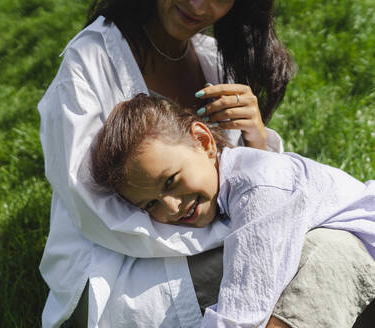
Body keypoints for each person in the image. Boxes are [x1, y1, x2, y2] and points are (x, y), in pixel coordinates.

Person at [37, 0, 374, 327]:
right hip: (124, 267)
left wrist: (256, 140)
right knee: (321, 250)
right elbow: (93, 212)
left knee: (315, 249)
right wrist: (249, 227)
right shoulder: (90, 61)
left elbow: (258, 192)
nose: (198, 6)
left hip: (222, 241)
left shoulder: (213, 58)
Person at [89, 94, 375, 327]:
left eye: (171, 181)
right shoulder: (233, 187)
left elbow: (243, 310)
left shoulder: (260, 187)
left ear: (203, 142)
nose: (172, 206)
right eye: (150, 204)